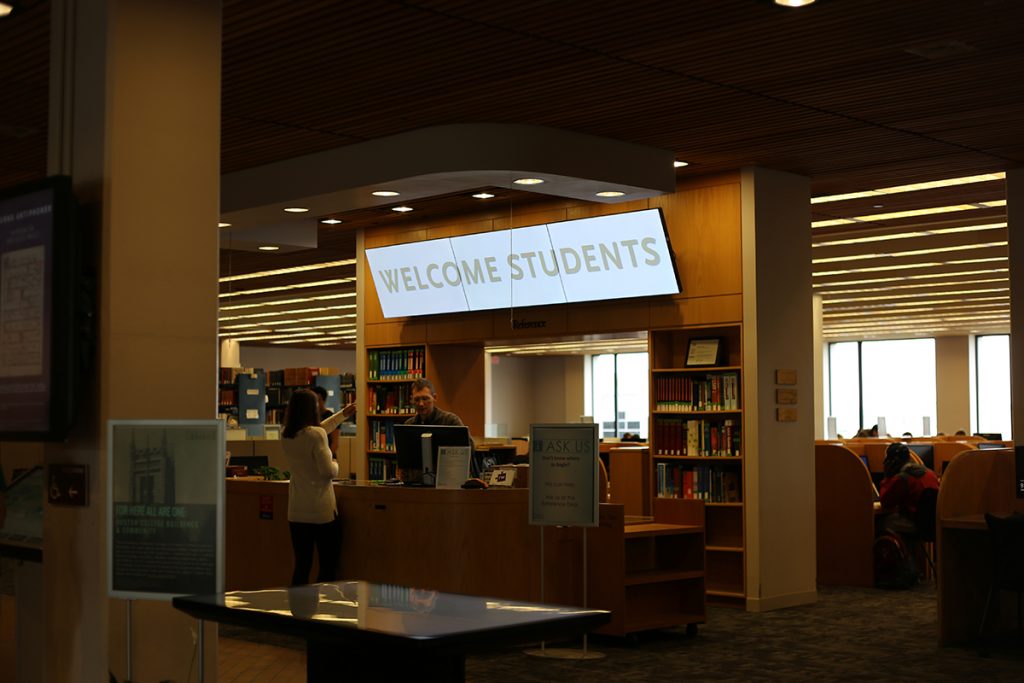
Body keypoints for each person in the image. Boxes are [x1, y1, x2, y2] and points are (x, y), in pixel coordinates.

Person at [281, 388, 356, 585]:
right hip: (321, 511)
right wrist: (337, 464)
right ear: (311, 409)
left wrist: (341, 415)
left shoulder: (286, 435)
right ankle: (322, 613)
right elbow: (328, 472)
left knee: (302, 566)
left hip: (297, 511)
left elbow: (317, 432)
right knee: (327, 567)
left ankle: (298, 612)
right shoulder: (316, 435)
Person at [878, 442, 939, 535]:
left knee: (880, 523)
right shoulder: (930, 473)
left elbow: (885, 501)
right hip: (933, 523)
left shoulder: (903, 478)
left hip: (915, 524)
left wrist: (887, 476)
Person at [310, 385, 340, 456]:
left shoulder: (331, 416)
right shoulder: (310, 416)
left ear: (323, 400)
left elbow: (335, 442)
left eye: (318, 400)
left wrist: (328, 457)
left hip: (327, 455)